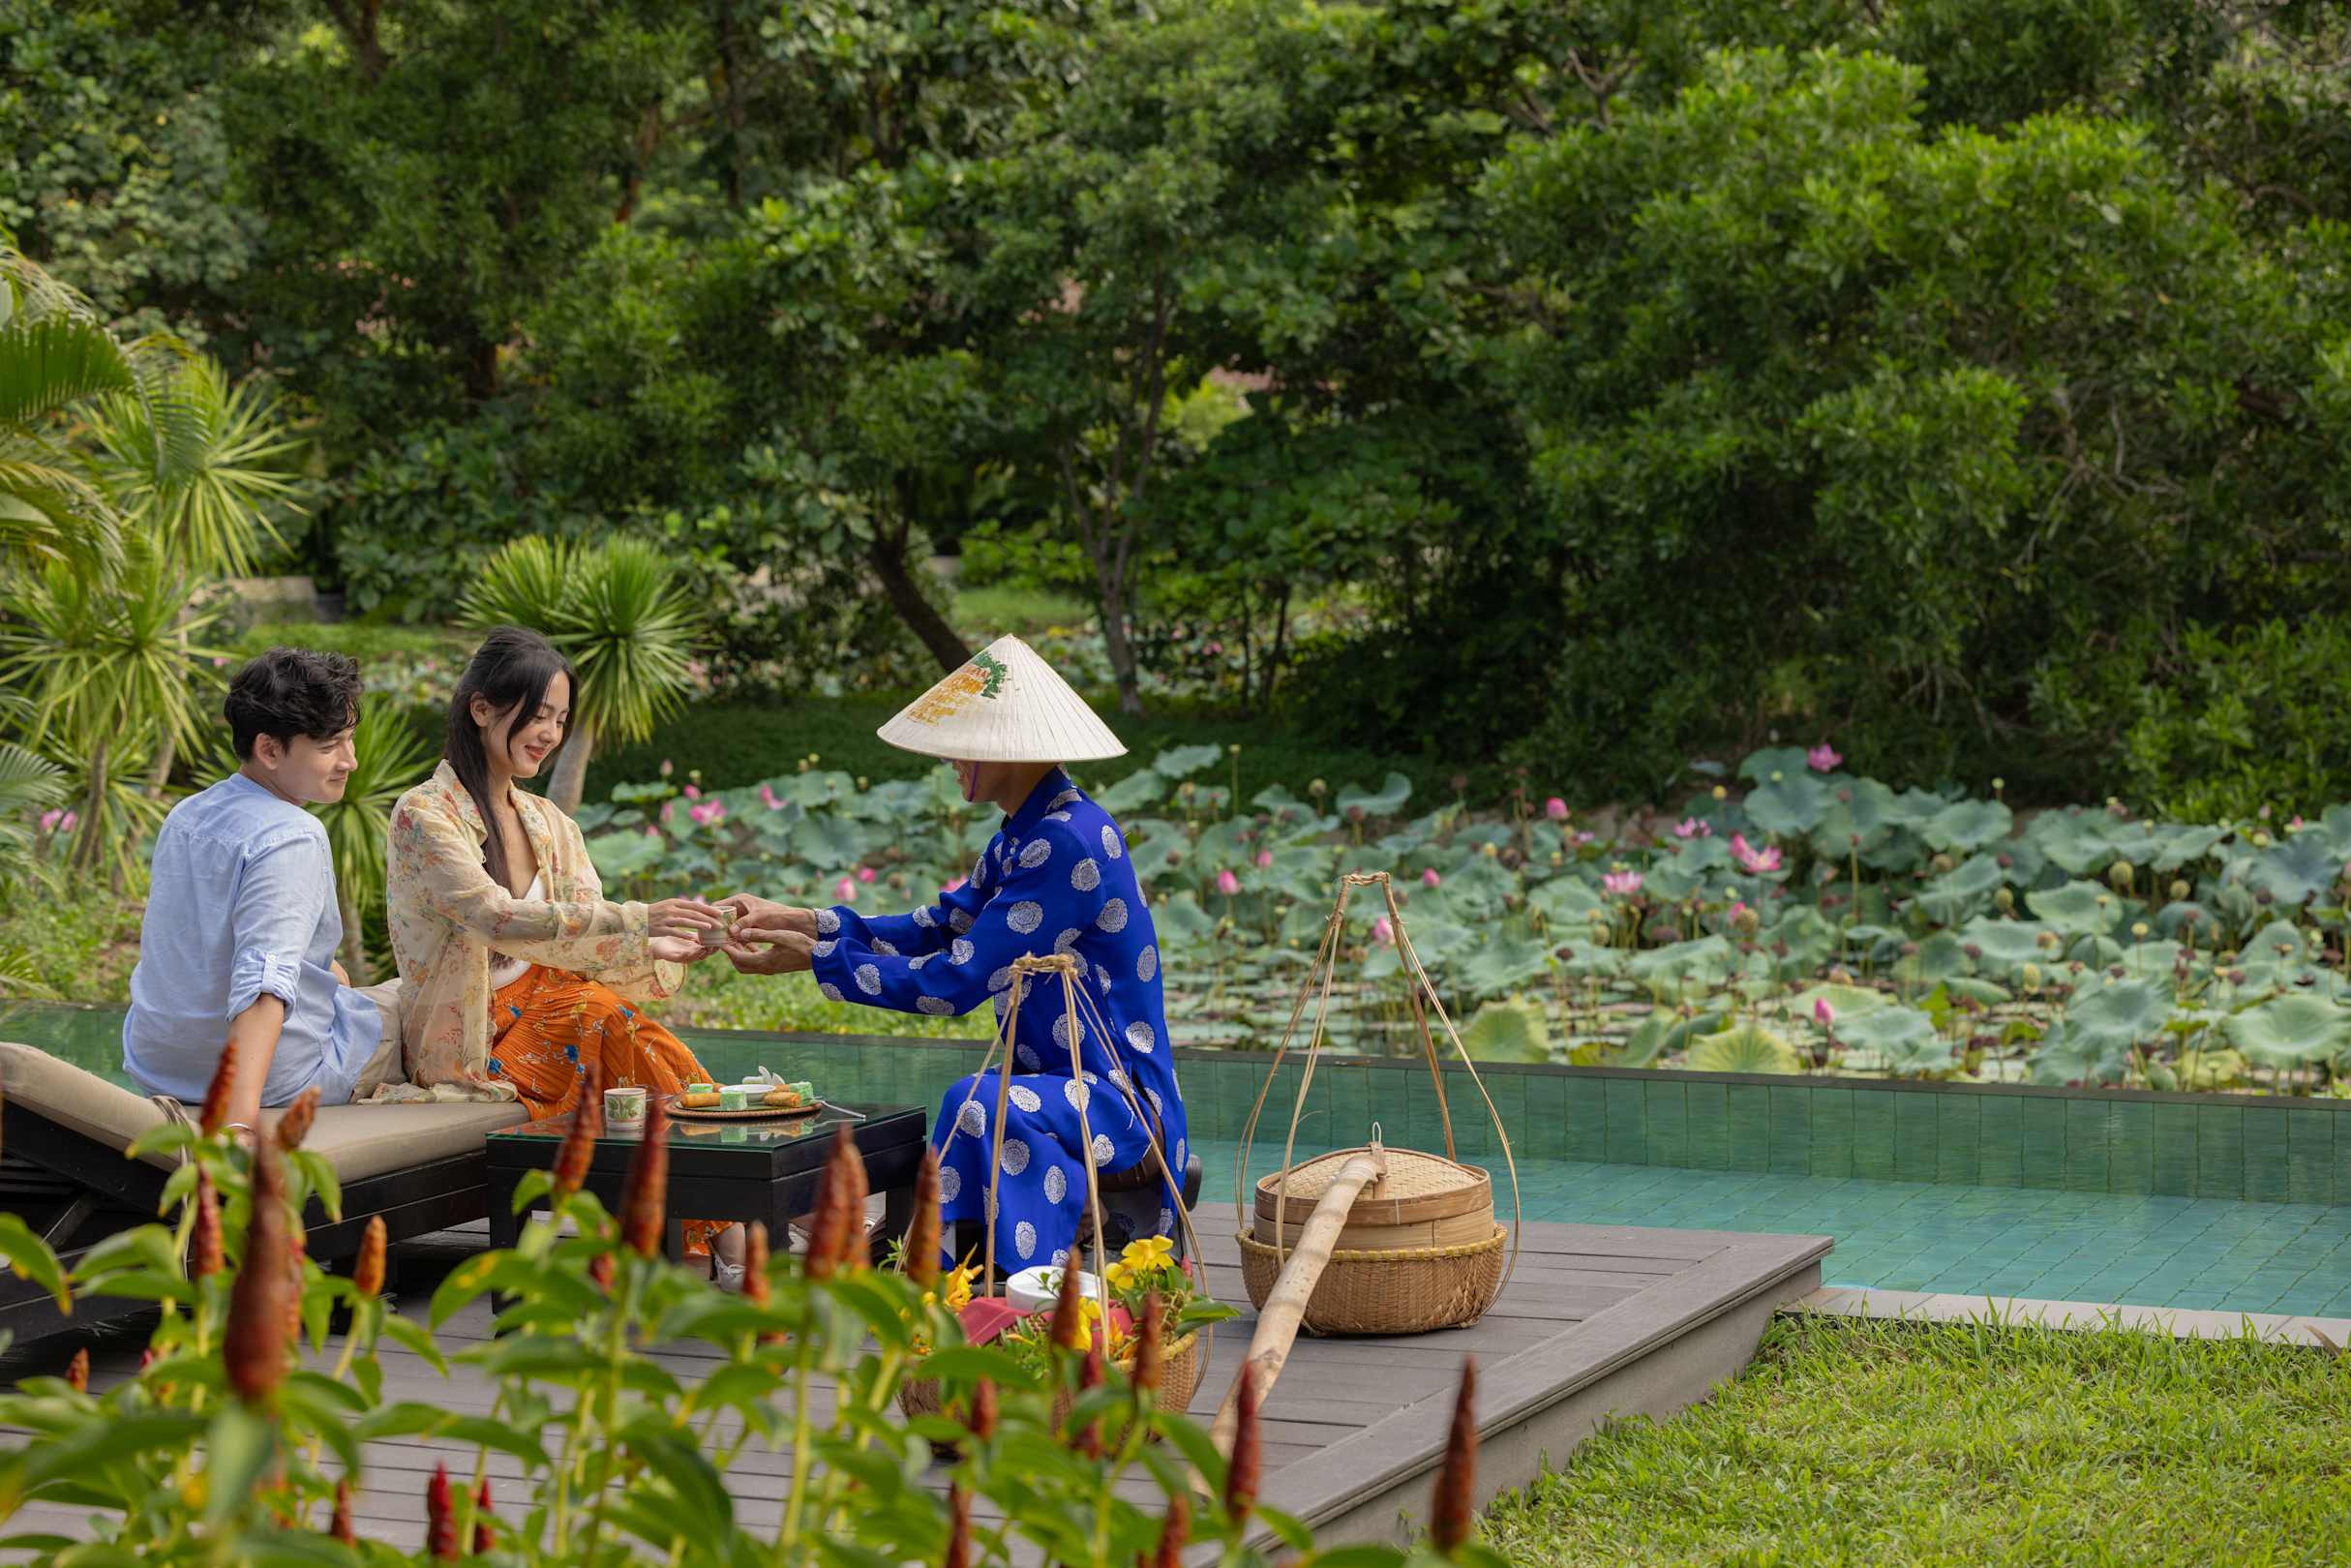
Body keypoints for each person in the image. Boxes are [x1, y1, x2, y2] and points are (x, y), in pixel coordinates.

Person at [721, 635, 1189, 1276]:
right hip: (1055, 1087)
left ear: (1008, 748)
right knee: (978, 1101)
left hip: (1117, 1098)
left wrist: (818, 960)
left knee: (977, 1102)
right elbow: (942, 928)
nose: (947, 756)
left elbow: (957, 979)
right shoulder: (1025, 833)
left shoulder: (1066, 841)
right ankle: (958, 1269)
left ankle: (1007, 1282)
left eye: (960, 742)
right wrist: (806, 922)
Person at [383, 626, 744, 1272]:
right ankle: (739, 1232)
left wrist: (658, 943)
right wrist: (640, 917)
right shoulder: (424, 815)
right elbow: (494, 917)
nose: (550, 732)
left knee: (634, 1043)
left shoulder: (550, 822)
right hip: (477, 1034)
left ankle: (707, 1238)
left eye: (560, 718)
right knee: (610, 1024)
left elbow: (583, 934)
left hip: (557, 1005)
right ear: (482, 709)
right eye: (538, 714)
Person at [124, 648, 408, 1133]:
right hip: (277, 1082)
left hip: (162, 1070)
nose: (351, 761)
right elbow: (262, 987)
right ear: (270, 750)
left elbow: (201, 944)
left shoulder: (187, 815)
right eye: (330, 746)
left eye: (350, 740)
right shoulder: (292, 836)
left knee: (341, 982)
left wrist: (327, 972)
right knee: (416, 999)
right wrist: (237, 1127)